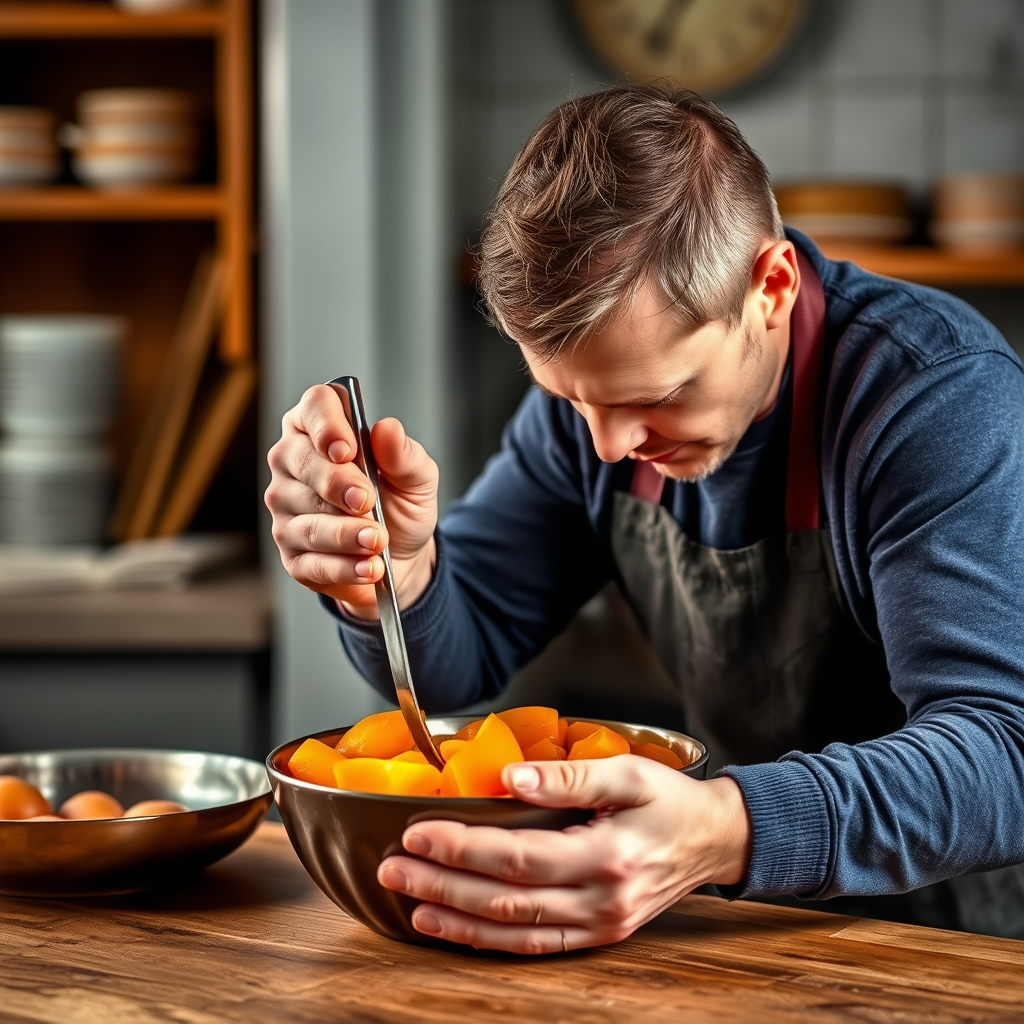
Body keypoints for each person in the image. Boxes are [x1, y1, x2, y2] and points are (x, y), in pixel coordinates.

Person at [266, 84, 1024, 953]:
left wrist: (721, 826)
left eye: (657, 396)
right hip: (741, 928)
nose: (608, 446)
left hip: (965, 947)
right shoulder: (596, 413)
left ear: (769, 287)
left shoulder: (936, 399)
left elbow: (1008, 749)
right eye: (569, 399)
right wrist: (396, 582)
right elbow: (461, 656)